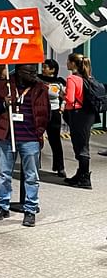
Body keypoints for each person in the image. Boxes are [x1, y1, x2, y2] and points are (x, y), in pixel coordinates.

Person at [0, 64, 50, 228]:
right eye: (28, 71)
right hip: (6, 137)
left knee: (31, 176)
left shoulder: (41, 88)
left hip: (30, 138)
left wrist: (39, 133)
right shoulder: (5, 85)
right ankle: (3, 206)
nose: (33, 74)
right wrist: (4, 104)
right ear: (19, 72)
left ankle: (30, 209)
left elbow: (46, 113)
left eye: (33, 70)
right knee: (4, 174)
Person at [63, 53, 99, 189]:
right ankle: (81, 173)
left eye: (68, 61)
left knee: (81, 147)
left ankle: (85, 178)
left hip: (78, 114)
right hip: (88, 114)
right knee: (83, 144)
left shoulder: (72, 78)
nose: (66, 63)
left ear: (73, 63)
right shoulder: (88, 77)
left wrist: (63, 95)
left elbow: (70, 99)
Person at [38, 58, 66, 178]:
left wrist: (62, 108)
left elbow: (64, 97)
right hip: (39, 111)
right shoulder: (37, 79)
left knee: (55, 140)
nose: (43, 69)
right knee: (36, 139)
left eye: (46, 67)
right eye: (43, 67)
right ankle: (34, 165)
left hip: (54, 112)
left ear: (53, 70)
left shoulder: (59, 82)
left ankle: (60, 167)